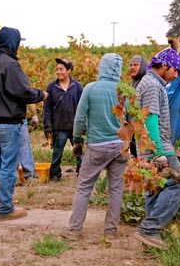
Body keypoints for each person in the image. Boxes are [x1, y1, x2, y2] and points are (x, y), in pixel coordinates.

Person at [0, 26, 48, 221]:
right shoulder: (10, 65)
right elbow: (22, 91)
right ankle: (5, 208)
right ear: (12, 42)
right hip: (9, 123)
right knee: (9, 165)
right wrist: (41, 95)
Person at [61, 53, 128, 241]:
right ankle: (111, 231)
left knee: (84, 187)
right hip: (120, 147)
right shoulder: (125, 91)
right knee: (116, 189)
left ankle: (74, 230)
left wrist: (77, 141)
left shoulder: (91, 88)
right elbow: (132, 121)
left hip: (97, 146)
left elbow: (80, 117)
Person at [134, 48, 180, 249]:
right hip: (159, 147)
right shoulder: (152, 86)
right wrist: (159, 153)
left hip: (149, 147)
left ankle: (149, 240)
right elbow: (151, 119)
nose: (175, 74)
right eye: (174, 69)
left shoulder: (149, 83)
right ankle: (150, 229)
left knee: (155, 190)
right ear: (164, 65)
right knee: (179, 184)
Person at [43, 58, 83, 181]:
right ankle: (55, 175)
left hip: (75, 127)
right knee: (57, 153)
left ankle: (82, 174)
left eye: (61, 69)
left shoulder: (77, 87)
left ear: (69, 71)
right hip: (59, 127)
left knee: (80, 152)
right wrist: (47, 126)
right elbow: (47, 108)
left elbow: (82, 108)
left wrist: (83, 126)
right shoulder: (51, 87)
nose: (58, 72)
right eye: (57, 69)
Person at [128, 55, 148, 158]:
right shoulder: (132, 84)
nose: (132, 67)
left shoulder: (146, 84)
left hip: (144, 130)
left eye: (135, 65)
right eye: (131, 65)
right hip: (133, 129)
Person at [19, 104, 39, 182]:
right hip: (19, 119)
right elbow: (28, 94)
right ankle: (30, 175)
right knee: (24, 147)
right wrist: (34, 114)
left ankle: (9, 176)